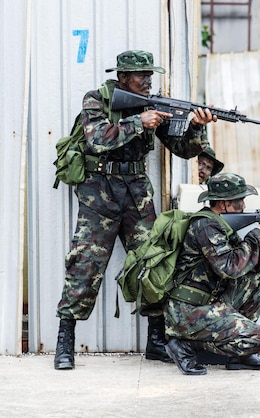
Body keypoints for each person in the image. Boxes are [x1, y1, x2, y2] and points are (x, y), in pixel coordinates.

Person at [54, 50, 217, 370]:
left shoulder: (152, 104)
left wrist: (197, 126)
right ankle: (65, 342)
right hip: (98, 194)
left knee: (152, 262)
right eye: (141, 75)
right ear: (123, 77)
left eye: (149, 75)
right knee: (85, 265)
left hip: (137, 194)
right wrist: (138, 121)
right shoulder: (97, 99)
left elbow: (183, 150)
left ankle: (156, 341)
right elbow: (97, 139)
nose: (147, 81)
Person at [163, 173, 260, 375]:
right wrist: (255, 237)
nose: (244, 205)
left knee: (257, 278)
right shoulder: (205, 226)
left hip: (207, 301)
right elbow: (229, 268)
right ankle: (185, 345)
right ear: (225, 204)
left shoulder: (220, 224)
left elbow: (255, 266)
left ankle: (240, 355)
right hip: (187, 311)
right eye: (240, 201)